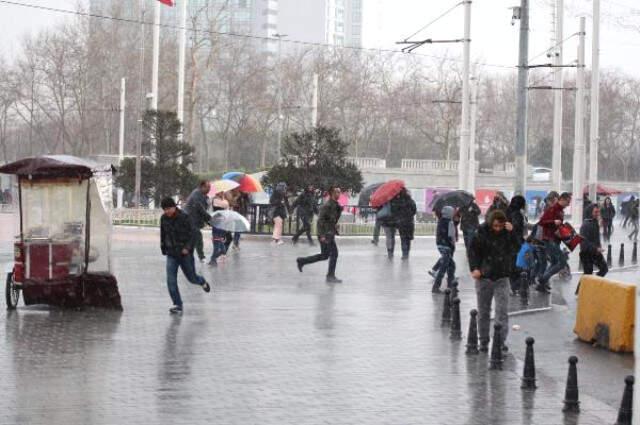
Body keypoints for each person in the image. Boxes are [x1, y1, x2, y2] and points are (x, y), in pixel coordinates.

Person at [468, 210, 520, 352]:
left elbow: (517, 248)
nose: (498, 229)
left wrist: (512, 233)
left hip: (502, 277)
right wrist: (475, 268)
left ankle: (500, 340)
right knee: (484, 311)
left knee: (502, 311)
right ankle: (483, 340)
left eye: (500, 226)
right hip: (484, 277)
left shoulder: (507, 232)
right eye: (495, 226)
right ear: (490, 223)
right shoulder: (481, 232)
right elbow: (472, 251)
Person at [160, 197, 211, 314]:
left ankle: (202, 281)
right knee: (171, 280)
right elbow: (163, 234)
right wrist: (163, 248)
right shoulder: (163, 219)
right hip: (171, 253)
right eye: (164, 209)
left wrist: (187, 248)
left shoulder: (184, 217)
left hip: (185, 254)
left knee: (191, 278)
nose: (167, 211)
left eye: (168, 208)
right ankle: (178, 304)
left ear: (174, 207)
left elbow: (193, 235)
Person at [296, 187, 343, 283]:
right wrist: (321, 235)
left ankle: (302, 261)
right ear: (332, 193)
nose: (339, 193)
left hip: (329, 232)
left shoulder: (335, 205)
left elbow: (330, 218)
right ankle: (330, 276)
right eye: (337, 192)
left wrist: (335, 225)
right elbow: (320, 220)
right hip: (325, 233)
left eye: (339, 192)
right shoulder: (327, 205)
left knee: (325, 255)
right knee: (334, 253)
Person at [536, 192, 572, 293]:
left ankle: (542, 283)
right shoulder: (553, 209)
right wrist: (553, 222)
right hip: (549, 239)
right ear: (562, 199)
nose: (569, 204)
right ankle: (542, 280)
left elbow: (557, 226)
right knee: (562, 262)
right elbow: (542, 222)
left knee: (555, 262)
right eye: (568, 202)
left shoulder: (560, 210)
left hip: (555, 240)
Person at [183, 180, 212, 262]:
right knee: (197, 237)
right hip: (189, 219)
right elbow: (200, 208)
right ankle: (201, 257)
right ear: (202, 186)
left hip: (194, 220)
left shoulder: (203, 195)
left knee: (193, 238)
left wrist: (208, 220)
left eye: (209, 187)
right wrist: (209, 219)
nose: (209, 189)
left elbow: (204, 208)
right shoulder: (196, 194)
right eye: (207, 187)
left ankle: (187, 254)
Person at [432, 206, 457, 293]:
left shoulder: (441, 220)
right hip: (446, 246)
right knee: (444, 267)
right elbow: (451, 236)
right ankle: (436, 287)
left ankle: (451, 285)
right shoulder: (449, 222)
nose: (453, 214)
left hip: (441, 245)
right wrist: (452, 245)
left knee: (451, 265)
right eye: (452, 212)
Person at [506, 195, 527, 294]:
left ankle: (512, 286)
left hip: (509, 242)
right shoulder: (517, 214)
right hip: (515, 243)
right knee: (516, 265)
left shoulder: (508, 211)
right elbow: (516, 229)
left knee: (512, 265)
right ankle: (514, 287)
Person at [579, 204, 608, 277]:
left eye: (598, 212)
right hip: (586, 253)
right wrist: (596, 248)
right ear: (590, 212)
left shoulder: (594, 222)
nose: (597, 214)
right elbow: (584, 242)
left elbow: (596, 238)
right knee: (587, 275)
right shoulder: (585, 225)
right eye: (595, 212)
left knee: (604, 269)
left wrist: (598, 247)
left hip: (595, 252)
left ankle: (594, 284)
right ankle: (580, 288)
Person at [388, 188, 417, 259]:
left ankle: (404, 254)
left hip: (401, 222)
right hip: (410, 222)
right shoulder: (411, 201)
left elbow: (394, 211)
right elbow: (414, 210)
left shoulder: (398, 201)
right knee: (408, 238)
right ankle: (407, 253)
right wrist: (409, 215)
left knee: (403, 238)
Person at [208, 193, 230, 266]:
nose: (222, 193)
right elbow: (226, 208)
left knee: (219, 245)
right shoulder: (220, 201)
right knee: (218, 242)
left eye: (222, 192)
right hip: (219, 224)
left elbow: (226, 207)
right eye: (221, 192)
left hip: (220, 224)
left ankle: (213, 259)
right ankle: (213, 259)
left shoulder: (217, 200)